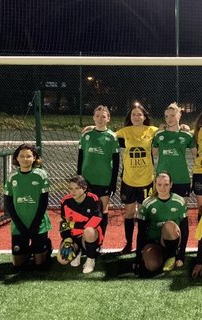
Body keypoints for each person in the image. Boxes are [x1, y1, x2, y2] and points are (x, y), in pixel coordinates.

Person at [115, 103, 159, 254]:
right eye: (133, 114)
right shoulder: (125, 131)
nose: (136, 117)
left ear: (145, 117)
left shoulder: (152, 130)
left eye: (139, 114)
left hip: (146, 179)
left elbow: (168, 129)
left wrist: (185, 128)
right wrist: (91, 128)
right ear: (130, 117)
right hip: (128, 179)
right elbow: (107, 134)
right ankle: (128, 243)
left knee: (142, 213)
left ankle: (142, 243)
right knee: (129, 213)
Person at [4, 143, 52, 268]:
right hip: (19, 224)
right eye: (22, 156)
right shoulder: (12, 176)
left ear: (34, 158)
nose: (25, 159)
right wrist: (19, 225)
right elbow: (8, 203)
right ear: (17, 158)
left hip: (38, 224)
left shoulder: (41, 174)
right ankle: (29, 250)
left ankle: (46, 246)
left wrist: (35, 224)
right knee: (18, 265)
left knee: (39, 264)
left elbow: (44, 202)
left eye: (29, 156)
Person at [77, 105, 119, 238]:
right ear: (93, 118)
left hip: (104, 180)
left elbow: (116, 162)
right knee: (86, 210)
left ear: (108, 119)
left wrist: (113, 183)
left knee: (102, 210)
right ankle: (86, 239)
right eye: (97, 116)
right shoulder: (86, 135)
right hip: (86, 180)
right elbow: (80, 157)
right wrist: (79, 178)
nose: (100, 119)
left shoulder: (112, 137)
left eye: (103, 116)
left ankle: (100, 241)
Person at [134, 172, 189, 272]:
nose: (162, 188)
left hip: (173, 239)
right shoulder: (147, 203)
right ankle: (161, 256)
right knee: (152, 266)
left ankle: (172, 255)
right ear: (155, 184)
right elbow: (141, 231)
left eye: (166, 184)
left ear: (171, 184)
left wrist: (182, 255)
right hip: (154, 241)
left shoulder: (179, 201)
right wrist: (138, 255)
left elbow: (185, 230)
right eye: (159, 184)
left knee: (168, 225)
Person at [57, 175, 103, 274]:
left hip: (89, 236)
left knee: (89, 231)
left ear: (84, 188)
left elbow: (95, 221)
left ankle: (90, 259)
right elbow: (63, 224)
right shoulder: (65, 201)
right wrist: (67, 239)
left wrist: (73, 224)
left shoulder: (94, 199)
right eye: (71, 188)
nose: (73, 191)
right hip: (74, 236)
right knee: (62, 260)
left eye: (77, 188)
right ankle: (78, 252)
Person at [153, 102, 197, 197]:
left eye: (172, 115)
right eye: (166, 116)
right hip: (162, 181)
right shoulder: (159, 135)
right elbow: (153, 153)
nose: (169, 119)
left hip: (181, 178)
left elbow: (196, 155)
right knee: (162, 210)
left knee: (181, 210)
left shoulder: (187, 135)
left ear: (179, 116)